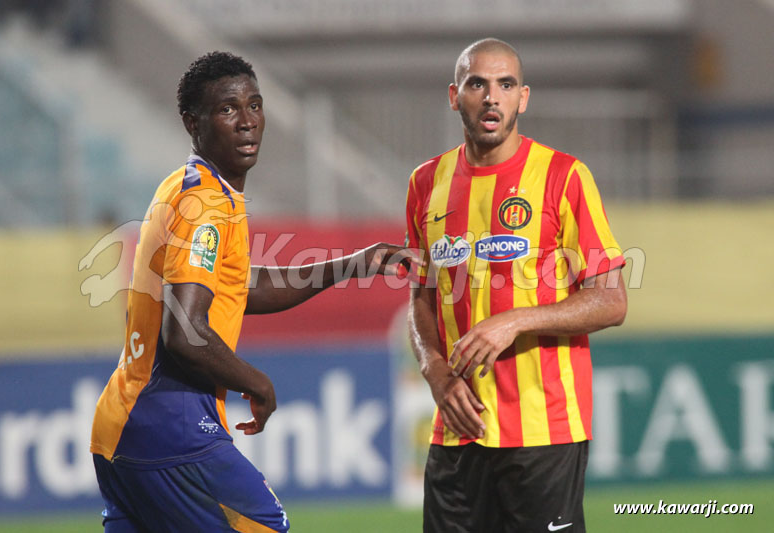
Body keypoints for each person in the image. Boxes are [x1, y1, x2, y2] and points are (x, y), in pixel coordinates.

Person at [90, 51, 411, 533]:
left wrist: (355, 263)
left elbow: (240, 287)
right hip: (172, 426)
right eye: (227, 109)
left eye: (255, 105)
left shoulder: (189, 187)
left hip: (120, 426)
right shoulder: (207, 204)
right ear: (192, 123)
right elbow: (185, 331)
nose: (247, 122)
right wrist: (255, 382)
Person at [404, 38, 628, 532]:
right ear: (454, 95)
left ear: (522, 98)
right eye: (477, 84)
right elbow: (421, 298)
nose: (491, 96)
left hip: (543, 431)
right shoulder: (425, 183)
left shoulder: (563, 176)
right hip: (456, 433)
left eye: (505, 85)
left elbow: (611, 301)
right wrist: (435, 370)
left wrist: (516, 321)